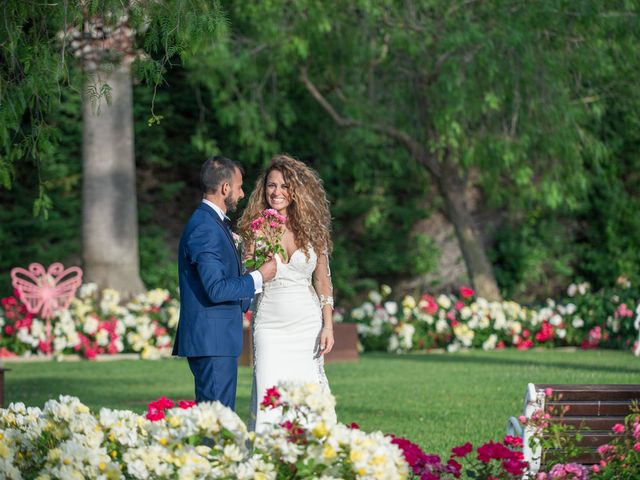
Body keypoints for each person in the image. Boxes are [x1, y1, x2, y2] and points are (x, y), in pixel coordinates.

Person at [238, 154, 336, 431]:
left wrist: (327, 325)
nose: (276, 192)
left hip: (307, 323)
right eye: (271, 185)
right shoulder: (255, 228)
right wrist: (256, 247)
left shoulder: (313, 230)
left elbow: (323, 282)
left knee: (307, 396)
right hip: (269, 323)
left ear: (295, 191)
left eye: (283, 186)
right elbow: (248, 275)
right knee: (269, 395)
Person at [172, 155, 277, 410]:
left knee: (218, 419)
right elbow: (216, 289)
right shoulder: (205, 227)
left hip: (215, 340)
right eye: (240, 187)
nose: (242, 194)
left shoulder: (212, 223)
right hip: (213, 341)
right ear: (225, 188)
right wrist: (259, 276)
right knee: (217, 422)